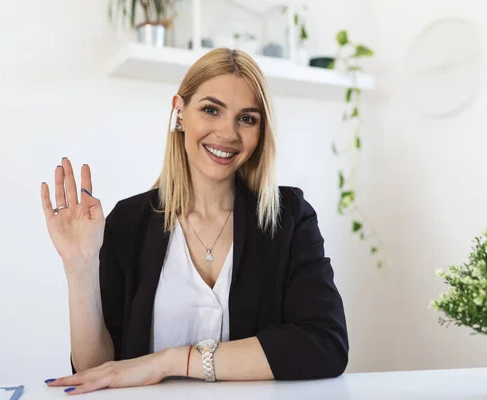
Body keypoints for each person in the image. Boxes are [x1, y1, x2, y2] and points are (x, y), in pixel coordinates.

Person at [39, 48, 348, 395]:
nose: (228, 133)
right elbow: (99, 373)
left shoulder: (288, 216)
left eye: (246, 118)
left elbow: (326, 344)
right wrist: (79, 267)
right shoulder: (128, 222)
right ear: (180, 112)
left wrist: (171, 361)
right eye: (211, 110)